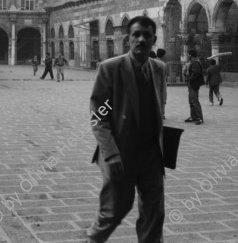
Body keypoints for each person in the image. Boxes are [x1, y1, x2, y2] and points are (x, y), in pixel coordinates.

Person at [87, 15, 167, 243]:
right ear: (128, 38)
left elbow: (159, 107)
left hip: (151, 155)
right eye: (136, 34)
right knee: (113, 211)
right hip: (120, 154)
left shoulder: (159, 69)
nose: (141, 39)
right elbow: (99, 116)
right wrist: (110, 153)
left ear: (154, 39)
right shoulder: (110, 69)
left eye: (147, 35)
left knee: (154, 213)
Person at [184, 49, 204, 125]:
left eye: (188, 54)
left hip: (194, 84)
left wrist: (190, 79)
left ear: (190, 55)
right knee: (191, 101)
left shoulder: (196, 63)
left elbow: (195, 73)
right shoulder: (194, 62)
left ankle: (199, 118)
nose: (188, 56)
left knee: (195, 101)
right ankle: (193, 116)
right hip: (192, 84)